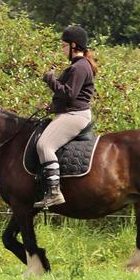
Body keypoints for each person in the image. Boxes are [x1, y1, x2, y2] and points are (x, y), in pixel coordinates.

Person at [34, 25, 97, 209]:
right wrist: (53, 107)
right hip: (70, 113)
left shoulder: (80, 67)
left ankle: (54, 192)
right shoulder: (77, 66)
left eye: (63, 46)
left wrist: (50, 79)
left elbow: (69, 94)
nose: (62, 50)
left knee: (44, 145)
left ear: (73, 45)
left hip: (75, 115)